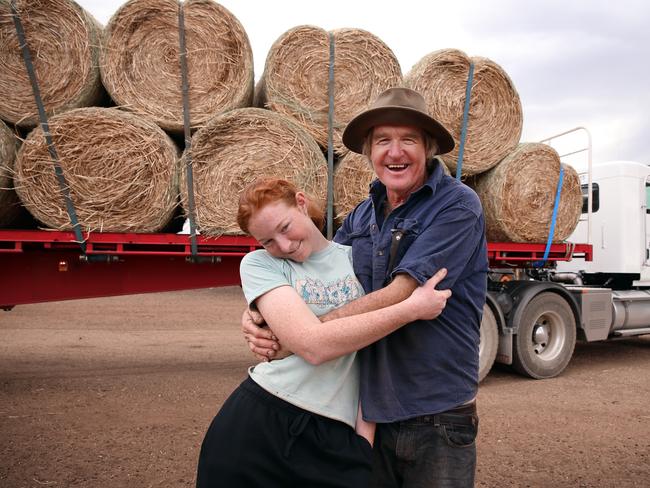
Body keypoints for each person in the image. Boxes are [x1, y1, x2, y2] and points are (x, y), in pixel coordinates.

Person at [243, 87, 489, 487]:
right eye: (383, 141)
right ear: (369, 152)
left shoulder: (457, 206)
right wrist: (259, 311)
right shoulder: (362, 214)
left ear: (427, 147)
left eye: (407, 139)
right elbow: (322, 278)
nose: (395, 152)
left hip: (436, 415)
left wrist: (301, 337)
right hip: (371, 412)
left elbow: (403, 293)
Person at [196, 177, 451, 488]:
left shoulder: (361, 260)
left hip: (335, 435)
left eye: (285, 227)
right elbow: (312, 346)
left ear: (301, 203)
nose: (284, 246)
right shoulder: (259, 265)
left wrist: (362, 442)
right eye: (267, 241)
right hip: (261, 421)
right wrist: (411, 309)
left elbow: (375, 354)